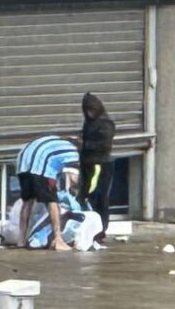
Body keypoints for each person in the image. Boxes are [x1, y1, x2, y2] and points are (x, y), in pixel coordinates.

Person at [15, 135, 79, 251]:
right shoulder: (72, 151)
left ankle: (21, 239)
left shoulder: (54, 141)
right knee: (53, 202)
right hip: (41, 168)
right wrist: (78, 189)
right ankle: (58, 239)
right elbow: (74, 178)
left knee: (27, 201)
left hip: (23, 165)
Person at [78, 92, 116, 243]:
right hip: (88, 164)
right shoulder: (89, 123)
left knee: (98, 197)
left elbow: (104, 145)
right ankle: (91, 228)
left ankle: (100, 230)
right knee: (87, 196)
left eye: (91, 110)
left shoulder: (105, 124)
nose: (89, 113)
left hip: (99, 165)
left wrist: (84, 145)